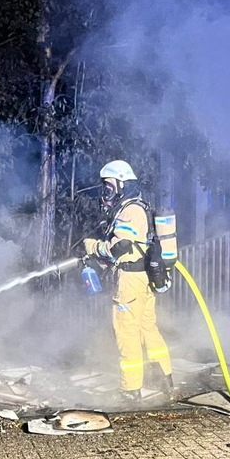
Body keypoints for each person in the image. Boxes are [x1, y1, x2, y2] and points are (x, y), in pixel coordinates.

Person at [83, 160, 175, 400]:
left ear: (122, 184)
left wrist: (92, 247)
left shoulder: (130, 210)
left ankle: (130, 390)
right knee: (148, 329)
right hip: (143, 278)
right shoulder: (137, 206)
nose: (106, 192)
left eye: (109, 186)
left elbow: (120, 246)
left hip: (130, 282)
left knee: (126, 333)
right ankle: (163, 378)